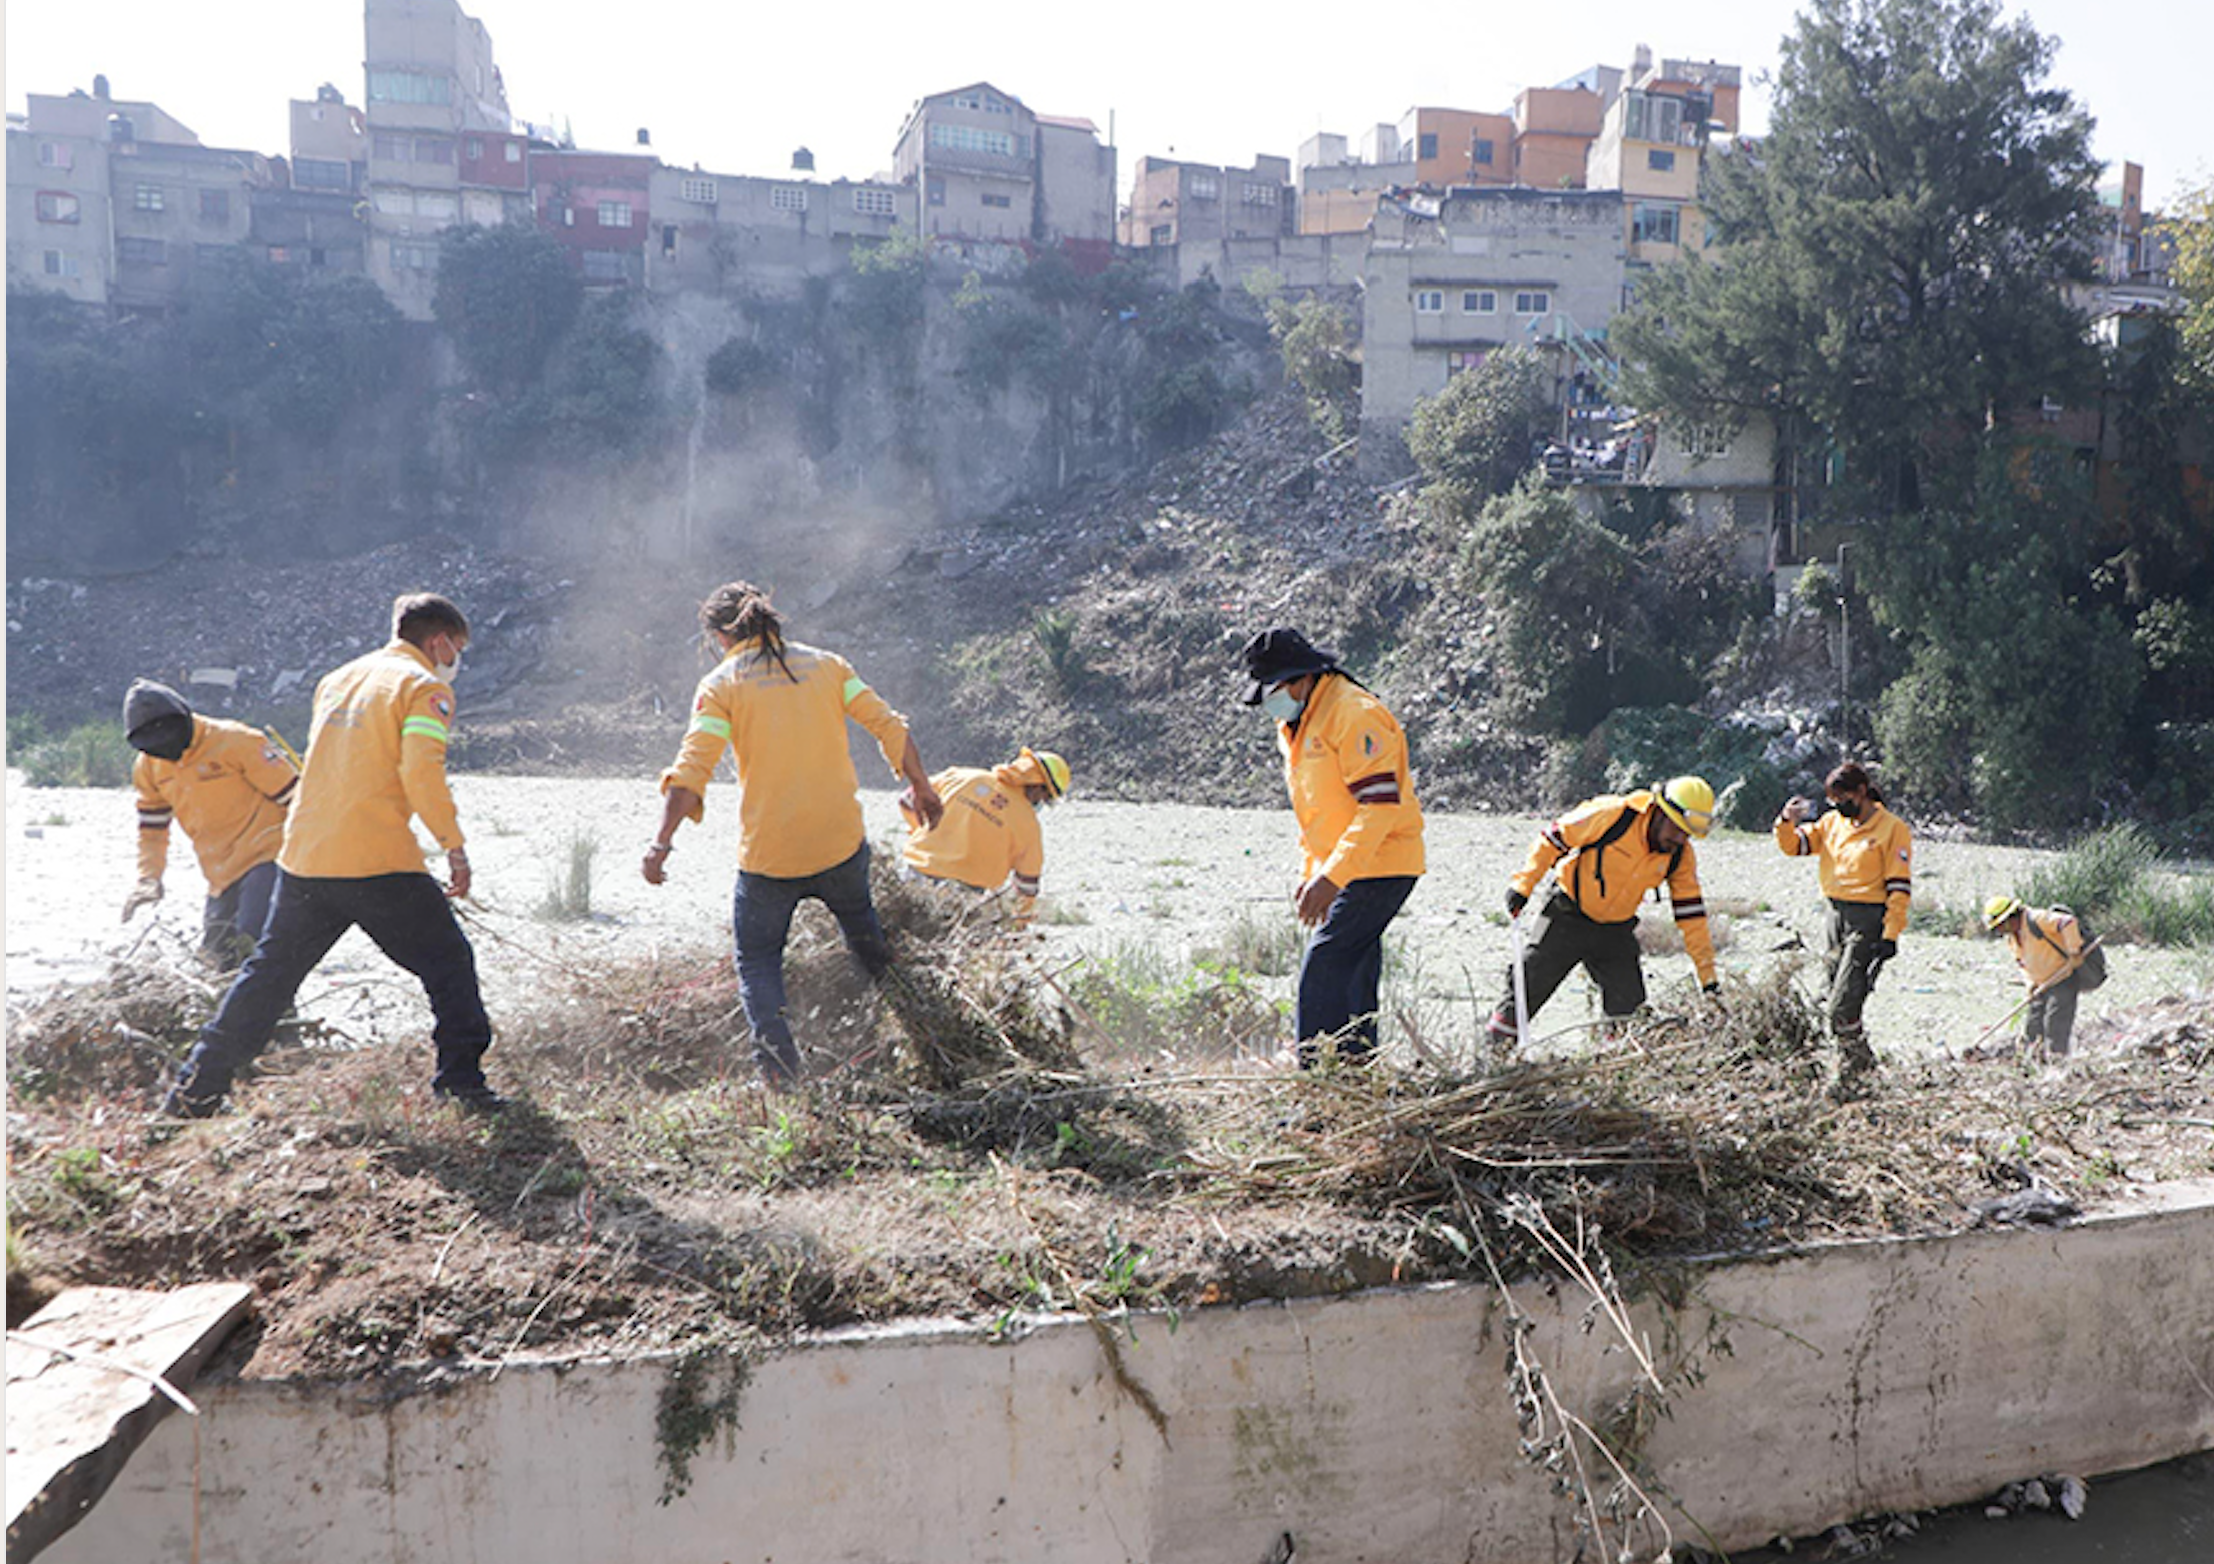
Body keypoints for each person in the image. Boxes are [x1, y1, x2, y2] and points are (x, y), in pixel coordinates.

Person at [162, 594, 503, 1118]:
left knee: (268, 977)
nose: (456, 659)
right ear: (439, 642)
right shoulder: (424, 688)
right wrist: (453, 845)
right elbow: (421, 773)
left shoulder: (338, 679)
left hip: (304, 858)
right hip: (377, 859)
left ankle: (194, 1092)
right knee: (449, 963)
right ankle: (461, 1082)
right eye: (457, 648)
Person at [645, 581, 944, 1087]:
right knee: (867, 942)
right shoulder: (828, 667)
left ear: (720, 636)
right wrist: (922, 786)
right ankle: (922, 1038)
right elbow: (888, 725)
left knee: (759, 959)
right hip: (839, 842)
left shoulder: (722, 685)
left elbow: (691, 770)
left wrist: (661, 843)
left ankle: (780, 1074)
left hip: (771, 855)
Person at [1239, 627, 1424, 1065]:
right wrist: (1314, 875)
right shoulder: (1296, 726)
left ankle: (1317, 1079)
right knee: (1354, 971)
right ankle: (1354, 1074)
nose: (1269, 701)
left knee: (1323, 966)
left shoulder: (1354, 714)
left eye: (1273, 689)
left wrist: (1331, 877)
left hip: (1382, 862)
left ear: (1301, 678)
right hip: (1347, 864)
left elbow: (1379, 808)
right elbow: (1316, 815)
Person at [1486, 777, 1719, 1049]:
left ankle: (1609, 1063)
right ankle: (1489, 1061)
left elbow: (1692, 919)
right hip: (1566, 917)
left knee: (1630, 1015)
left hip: (1616, 933)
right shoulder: (1612, 814)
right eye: (1676, 829)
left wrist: (1708, 979)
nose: (1679, 839)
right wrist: (1523, 885)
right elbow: (1552, 839)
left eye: (1687, 834)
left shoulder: (1679, 856)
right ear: (1658, 812)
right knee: (1523, 993)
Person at [121, 679, 299, 969]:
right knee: (215, 958)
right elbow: (152, 829)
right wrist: (148, 878)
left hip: (267, 856)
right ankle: (232, 1012)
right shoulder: (149, 767)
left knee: (254, 941)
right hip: (219, 873)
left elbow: (296, 798)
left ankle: (279, 1012)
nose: (167, 750)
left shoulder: (237, 741)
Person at [1773, 762, 1912, 1096]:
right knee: (1833, 998)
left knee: (1842, 1007)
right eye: (1832, 800)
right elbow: (1795, 846)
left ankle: (1856, 1070)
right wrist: (1785, 822)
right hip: (1834, 915)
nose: (1837, 806)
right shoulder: (1832, 823)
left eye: (1842, 798)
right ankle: (1861, 1071)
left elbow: (1899, 887)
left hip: (1869, 920)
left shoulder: (1892, 829)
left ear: (1861, 792)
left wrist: (1890, 935)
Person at [900, 748, 1071, 921]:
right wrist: (1020, 923)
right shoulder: (1029, 825)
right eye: (1045, 797)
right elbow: (1026, 886)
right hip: (964, 897)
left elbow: (907, 800)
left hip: (915, 873)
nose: (1041, 803)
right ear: (1038, 786)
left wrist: (920, 832)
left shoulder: (962, 776)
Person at [1983, 896, 2088, 1058]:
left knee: (2055, 1023)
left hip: (2062, 978)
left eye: (2000, 926)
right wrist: (2030, 984)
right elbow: (2024, 964)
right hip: (2041, 986)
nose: (2000, 931)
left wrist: (2074, 951)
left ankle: (2057, 1062)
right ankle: (2034, 1061)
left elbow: (2067, 922)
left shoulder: (2037, 919)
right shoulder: (2013, 939)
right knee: (2033, 1027)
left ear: (2010, 918)